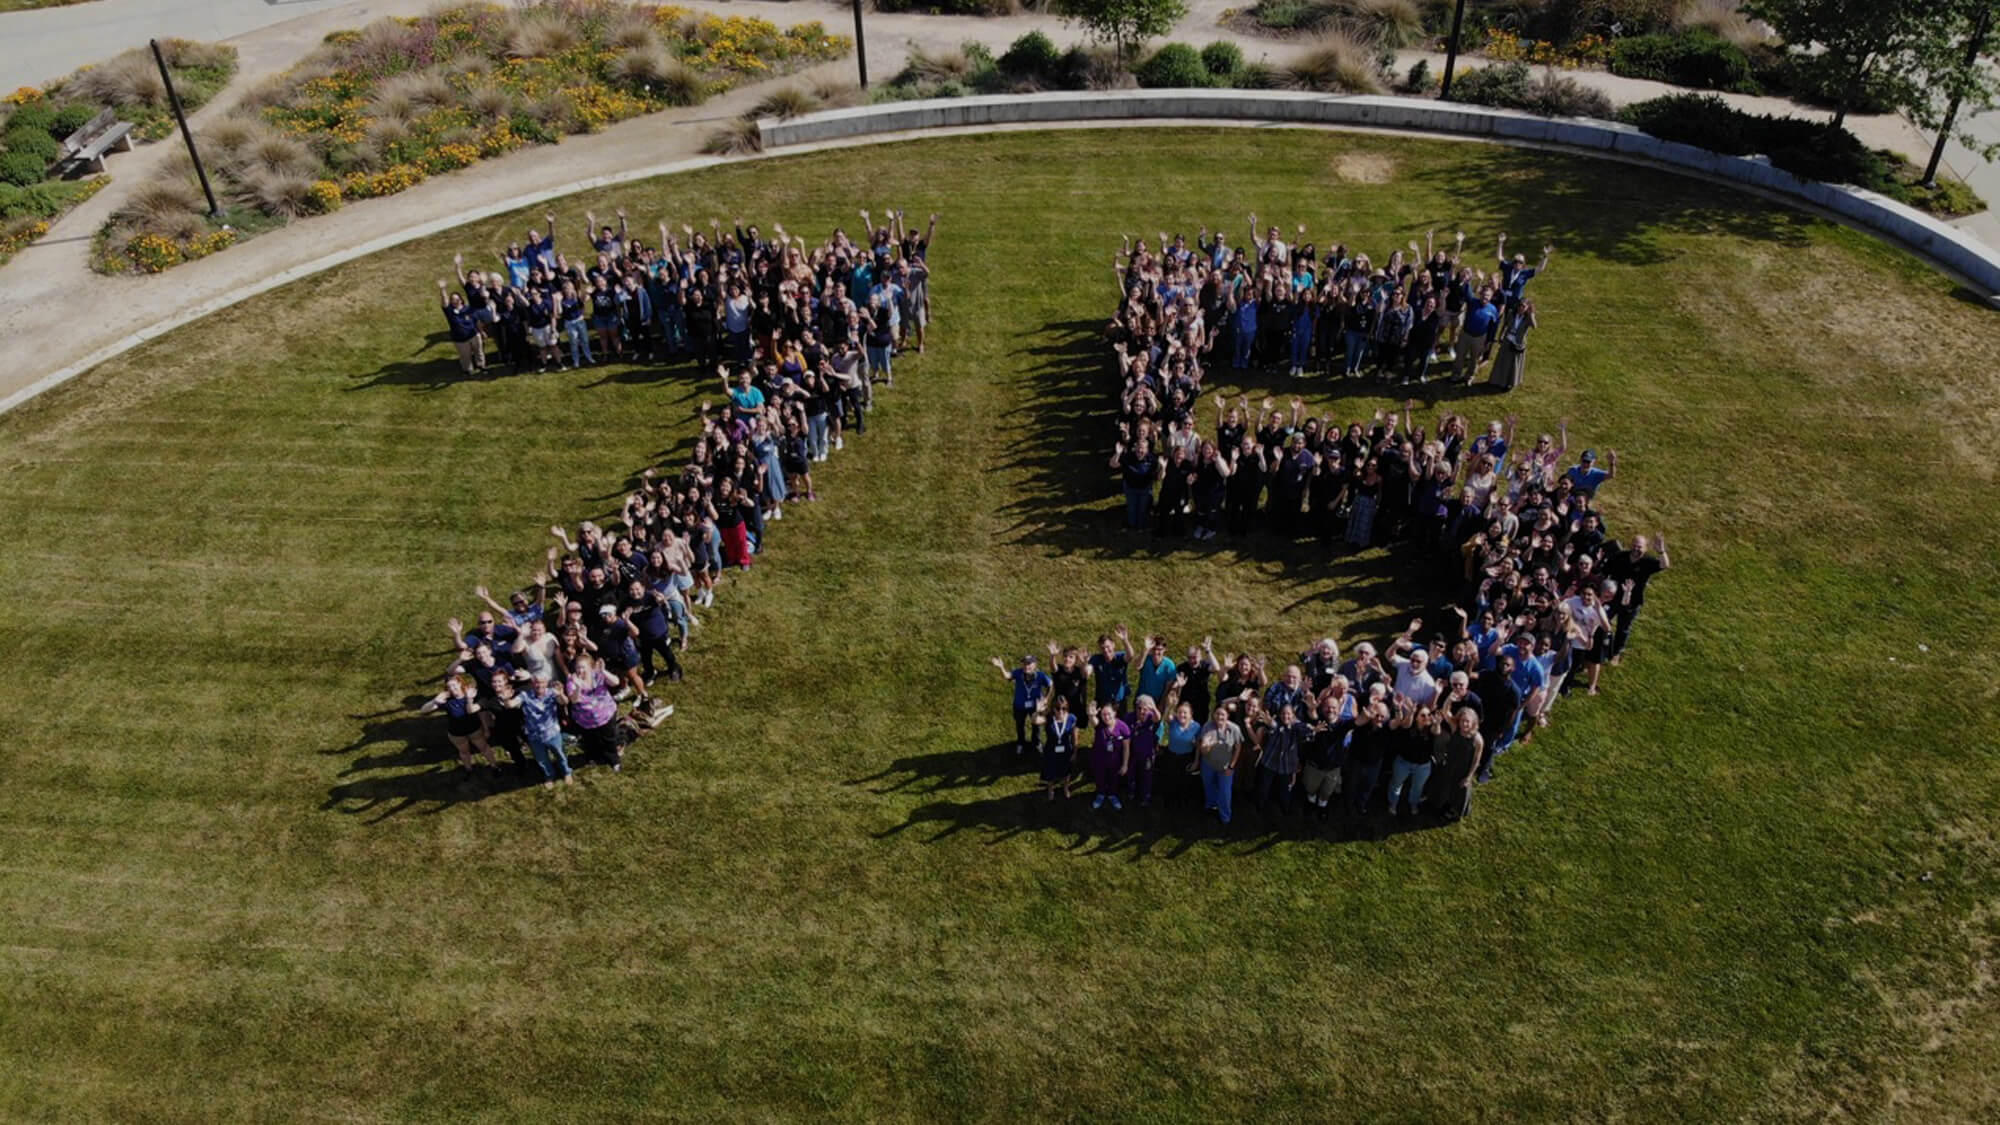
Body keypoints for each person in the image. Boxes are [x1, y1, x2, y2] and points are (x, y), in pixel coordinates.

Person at [421, 674, 498, 776]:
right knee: (464, 752)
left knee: (484, 748)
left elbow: (481, 713)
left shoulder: (471, 695)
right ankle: (468, 769)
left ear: (460, 683)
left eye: (454, 685)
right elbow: (423, 710)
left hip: (475, 729)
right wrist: (434, 701)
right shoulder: (446, 699)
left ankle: (494, 766)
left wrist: (486, 728)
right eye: (449, 687)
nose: (452, 689)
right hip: (456, 733)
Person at [565, 653, 624, 773]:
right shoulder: (572, 681)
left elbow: (616, 682)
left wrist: (603, 671)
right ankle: (594, 757)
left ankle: (613, 760)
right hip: (585, 719)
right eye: (578, 667)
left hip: (606, 715)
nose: (580, 670)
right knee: (590, 741)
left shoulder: (598, 675)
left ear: (591, 667)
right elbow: (573, 700)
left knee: (609, 739)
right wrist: (577, 687)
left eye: (583, 667)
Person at [518, 673, 573, 788]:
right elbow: (511, 704)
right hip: (534, 736)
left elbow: (565, 702)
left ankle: (566, 772)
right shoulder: (525, 695)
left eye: (542, 682)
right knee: (541, 759)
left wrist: (561, 694)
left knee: (560, 754)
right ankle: (549, 776)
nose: (539, 685)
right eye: (537, 682)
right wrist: (506, 699)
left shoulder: (552, 693)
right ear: (532, 683)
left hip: (553, 733)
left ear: (547, 683)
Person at [991, 654, 1052, 754]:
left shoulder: (1040, 676)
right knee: (1020, 725)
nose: (1026, 666)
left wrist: (1046, 698)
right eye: (1024, 663)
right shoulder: (1018, 673)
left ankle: (1036, 743)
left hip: (1035, 706)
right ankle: (1020, 743)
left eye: (1029, 664)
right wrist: (1001, 667)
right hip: (1019, 706)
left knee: (1036, 726)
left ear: (1035, 665)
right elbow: (1008, 676)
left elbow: (1050, 684)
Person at [1197, 704, 1245, 825]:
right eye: (1217, 714)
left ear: (1227, 716)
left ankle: (1225, 818)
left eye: (1222, 714)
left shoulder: (1234, 729)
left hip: (1226, 767)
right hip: (1208, 764)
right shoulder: (1207, 727)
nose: (1219, 717)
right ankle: (1211, 807)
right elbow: (1203, 751)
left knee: (1225, 792)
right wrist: (1208, 745)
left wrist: (1231, 766)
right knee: (1209, 786)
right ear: (1213, 715)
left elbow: (1238, 748)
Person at [1088, 704, 1132, 811]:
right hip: (1099, 760)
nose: (1106, 717)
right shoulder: (1100, 725)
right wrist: (1091, 715)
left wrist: (1125, 764)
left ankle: (1112, 795)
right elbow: (1094, 720)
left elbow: (1126, 748)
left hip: (1115, 761)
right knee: (1100, 778)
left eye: (1109, 714)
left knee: (1114, 779)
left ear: (1114, 713)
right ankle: (1101, 794)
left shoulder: (1123, 727)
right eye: (1103, 714)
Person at [1040, 694, 1079, 800]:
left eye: (1064, 708)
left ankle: (1065, 787)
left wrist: (1075, 752)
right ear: (1053, 708)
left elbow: (1075, 737)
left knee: (1066, 771)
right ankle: (1050, 789)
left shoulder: (1072, 718)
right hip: (1051, 751)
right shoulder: (1048, 718)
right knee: (1050, 772)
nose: (1061, 711)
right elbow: (1035, 720)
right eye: (1058, 708)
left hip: (1066, 751)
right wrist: (1037, 711)